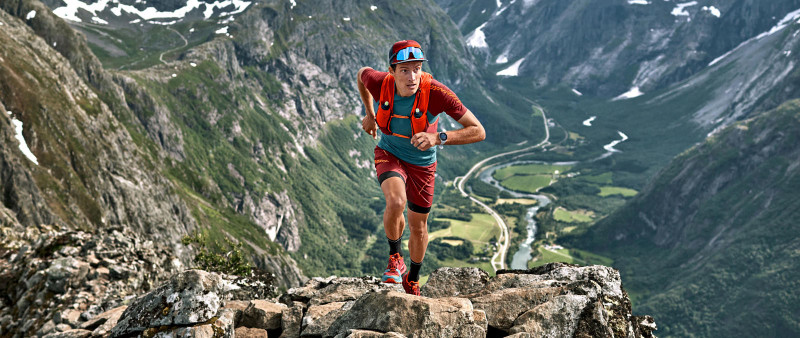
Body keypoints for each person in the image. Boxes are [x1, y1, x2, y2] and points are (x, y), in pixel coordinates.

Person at [356, 40, 486, 296]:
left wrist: (438, 138)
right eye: (405, 70)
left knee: (419, 226)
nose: (412, 76)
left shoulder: (436, 92)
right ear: (392, 70)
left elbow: (478, 131)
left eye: (417, 68)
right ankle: (395, 258)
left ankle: (412, 279)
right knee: (395, 202)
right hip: (389, 152)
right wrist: (370, 114)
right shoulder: (380, 82)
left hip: (422, 165)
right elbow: (362, 74)